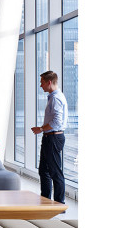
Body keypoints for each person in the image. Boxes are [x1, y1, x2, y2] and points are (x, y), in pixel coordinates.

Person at [31, 70, 67, 203]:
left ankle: (59, 203)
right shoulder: (53, 97)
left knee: (55, 172)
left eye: (42, 82)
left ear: (49, 82)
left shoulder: (56, 98)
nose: (41, 85)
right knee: (44, 171)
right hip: (49, 137)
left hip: (53, 138)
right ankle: (45, 201)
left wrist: (41, 129)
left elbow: (57, 121)